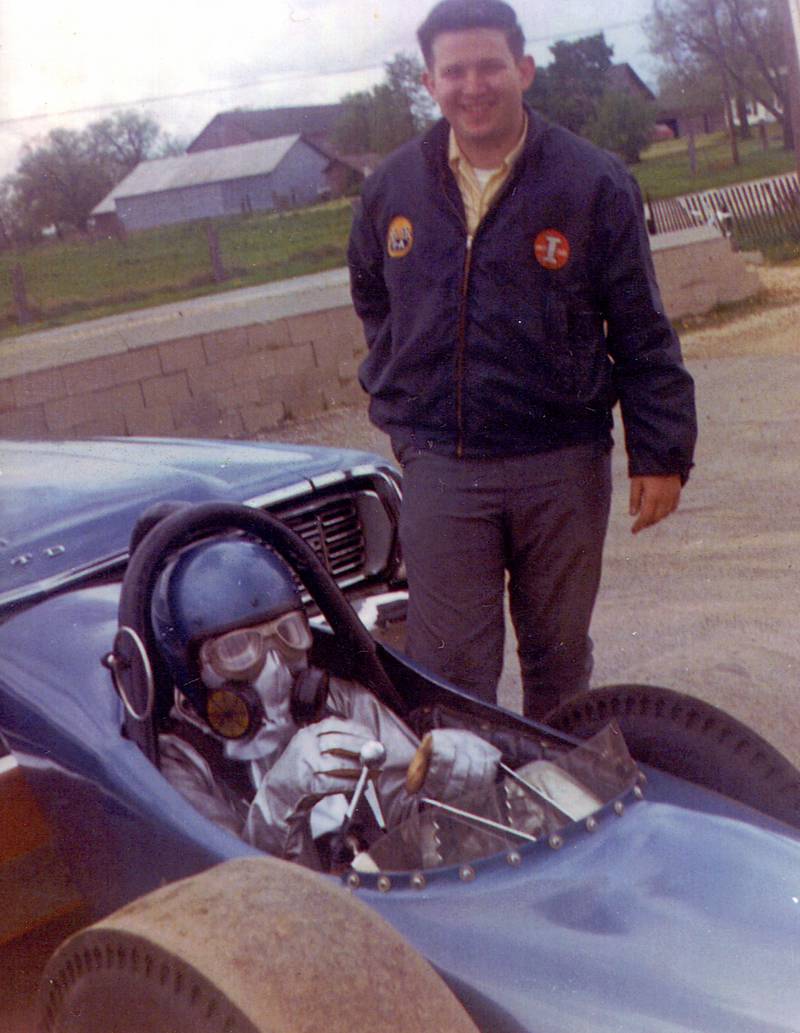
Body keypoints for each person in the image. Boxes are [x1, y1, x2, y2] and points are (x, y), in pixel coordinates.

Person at [347, 0, 697, 720]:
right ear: (429, 82)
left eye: (489, 67)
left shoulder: (592, 182)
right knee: (452, 669)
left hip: (560, 464)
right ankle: (473, 817)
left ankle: (559, 797)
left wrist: (662, 449)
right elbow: (374, 300)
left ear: (523, 70)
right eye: (454, 72)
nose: (472, 86)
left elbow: (640, 324)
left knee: (558, 657)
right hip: (445, 467)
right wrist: (409, 411)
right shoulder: (392, 190)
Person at [150, 537, 500, 868]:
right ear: (191, 668)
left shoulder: (342, 702)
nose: (275, 667)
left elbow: (406, 813)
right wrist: (282, 800)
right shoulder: (181, 759)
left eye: (288, 633)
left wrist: (449, 785)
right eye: (237, 650)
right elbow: (232, 894)